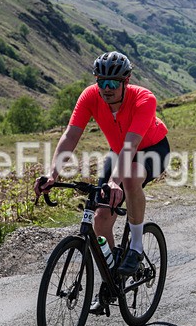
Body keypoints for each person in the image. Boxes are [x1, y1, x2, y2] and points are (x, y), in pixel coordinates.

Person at [34, 51, 170, 312]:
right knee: (99, 219)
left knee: (128, 179)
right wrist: (53, 174)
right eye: (101, 82)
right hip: (120, 152)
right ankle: (111, 281)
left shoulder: (144, 99)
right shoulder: (90, 96)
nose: (105, 89)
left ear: (125, 81)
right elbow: (71, 135)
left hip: (151, 148)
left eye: (112, 84)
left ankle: (137, 247)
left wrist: (115, 183)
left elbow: (132, 145)